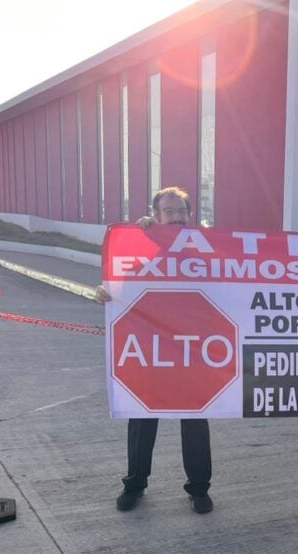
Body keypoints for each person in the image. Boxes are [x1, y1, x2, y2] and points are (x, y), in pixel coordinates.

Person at [96, 187, 214, 514]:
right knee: (142, 417)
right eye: (168, 211)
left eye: (181, 211)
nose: (176, 217)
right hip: (150, 348)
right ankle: (135, 483)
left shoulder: (210, 247)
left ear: (190, 215)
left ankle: (199, 488)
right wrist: (104, 292)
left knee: (194, 420)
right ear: (156, 214)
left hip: (194, 351)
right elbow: (121, 282)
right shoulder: (143, 244)